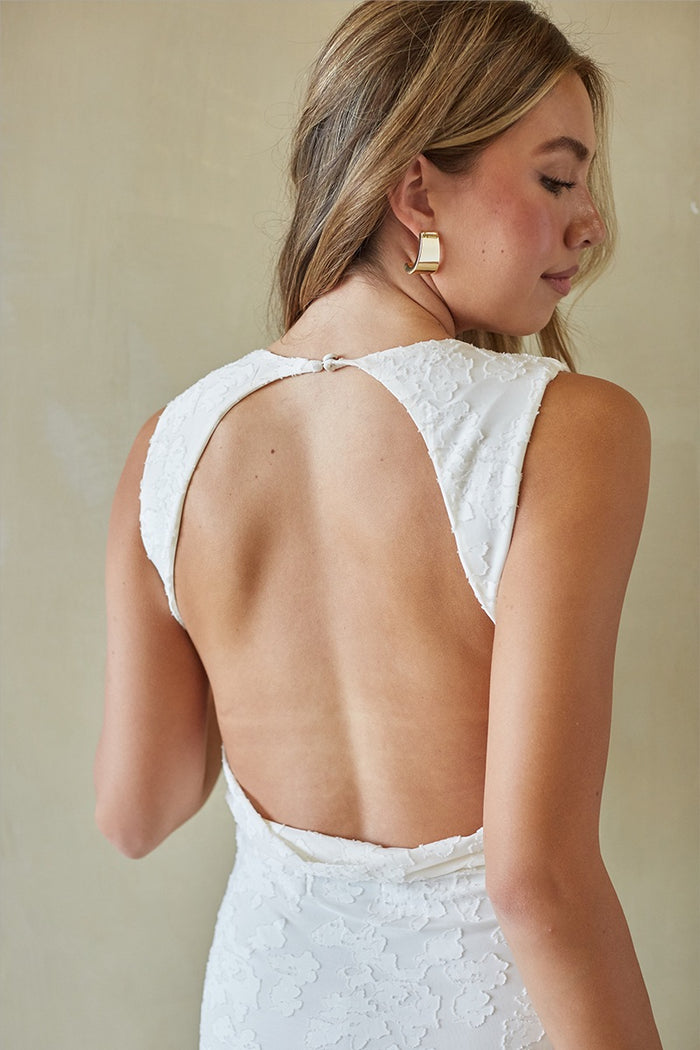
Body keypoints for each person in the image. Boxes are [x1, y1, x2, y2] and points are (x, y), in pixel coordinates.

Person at [95, 2, 664, 1047]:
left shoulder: (164, 451)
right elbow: (536, 879)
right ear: (414, 190)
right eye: (556, 176)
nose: (590, 222)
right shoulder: (566, 429)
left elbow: (140, 811)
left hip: (265, 1006)